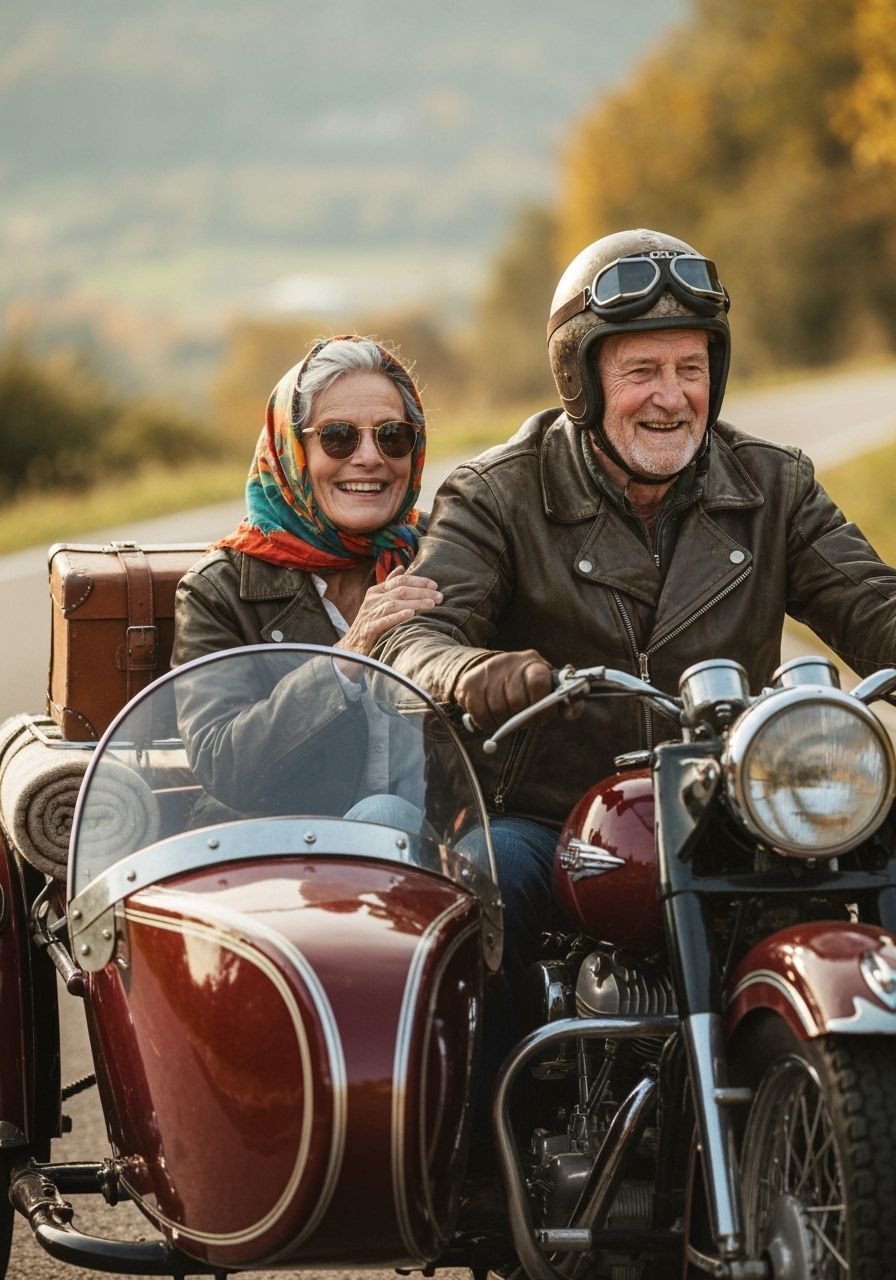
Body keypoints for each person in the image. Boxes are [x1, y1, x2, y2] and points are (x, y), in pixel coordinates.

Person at [374, 227, 896, 1061]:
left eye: (691, 369)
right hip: (548, 820)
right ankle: (472, 1164)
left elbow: (873, 604)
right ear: (581, 379)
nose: (671, 397)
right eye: (641, 371)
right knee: (482, 888)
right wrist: (472, 670)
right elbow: (410, 634)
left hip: (737, 807)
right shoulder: (498, 494)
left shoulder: (773, 486)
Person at [170, 335, 442, 826]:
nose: (369, 457)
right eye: (338, 436)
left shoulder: (443, 552)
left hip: (440, 854)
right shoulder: (218, 589)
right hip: (286, 859)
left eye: (392, 436)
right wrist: (346, 657)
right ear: (291, 451)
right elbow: (221, 761)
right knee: (384, 814)